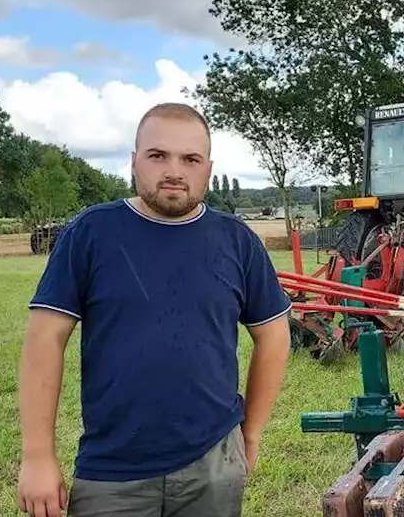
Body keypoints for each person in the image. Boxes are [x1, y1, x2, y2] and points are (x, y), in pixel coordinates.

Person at [15, 102, 292, 517]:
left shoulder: (236, 241)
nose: (175, 171)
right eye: (158, 155)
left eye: (190, 159)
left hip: (213, 461)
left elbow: (273, 335)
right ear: (134, 162)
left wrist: (250, 432)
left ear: (208, 168)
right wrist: (37, 456)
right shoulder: (91, 233)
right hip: (112, 467)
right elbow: (45, 339)